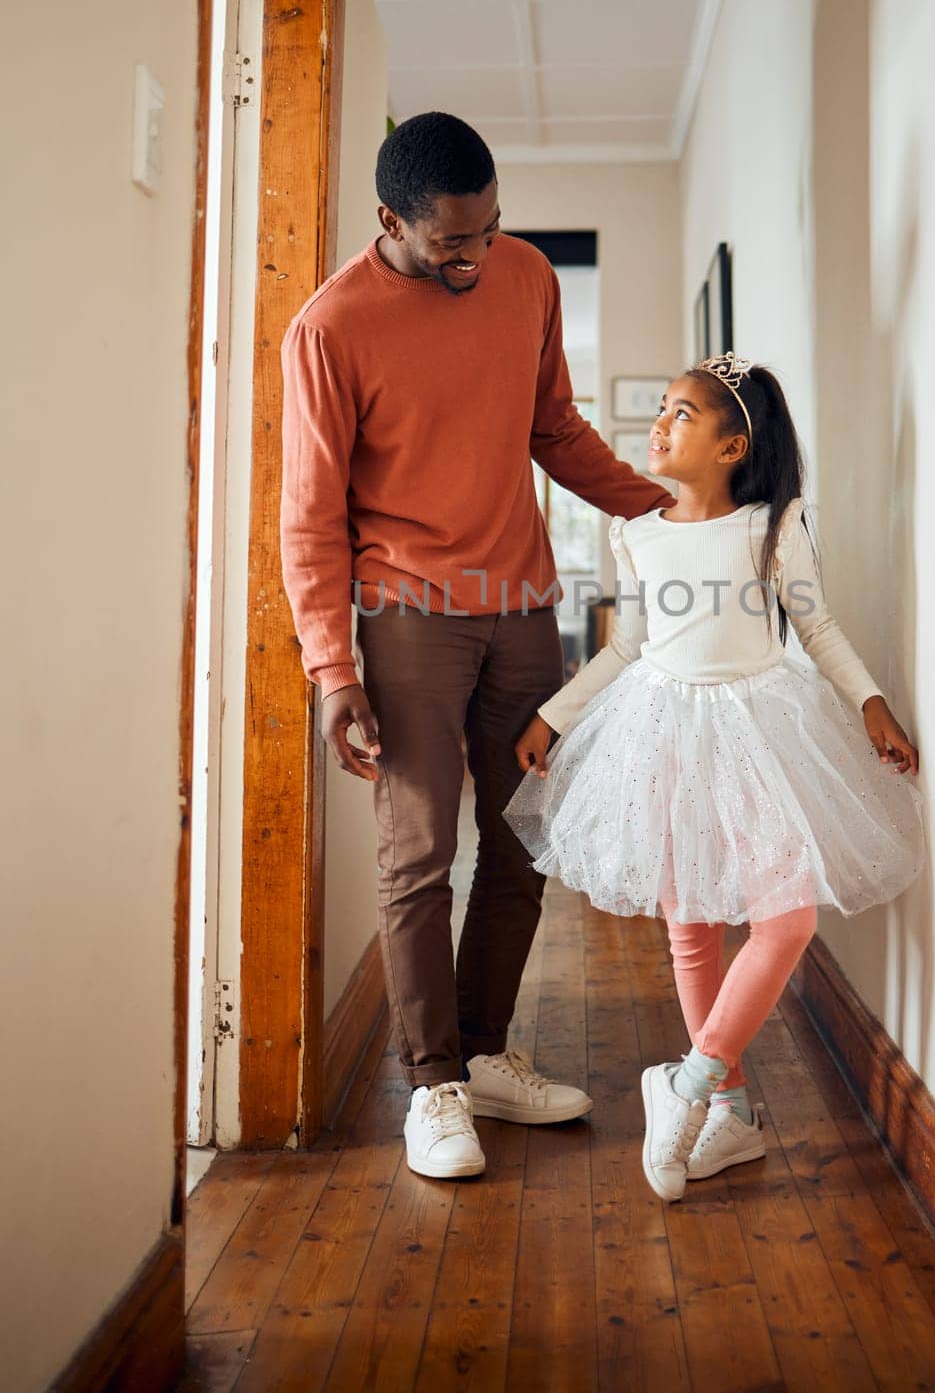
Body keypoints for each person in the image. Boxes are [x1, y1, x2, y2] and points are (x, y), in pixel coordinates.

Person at [279, 113, 672, 1180]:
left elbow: (554, 426)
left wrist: (661, 509)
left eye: (491, 230)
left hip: (523, 605)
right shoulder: (330, 329)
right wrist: (331, 667)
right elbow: (309, 518)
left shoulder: (525, 275)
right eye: (454, 242)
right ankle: (433, 1085)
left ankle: (487, 1051)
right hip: (406, 612)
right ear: (391, 223)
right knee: (418, 854)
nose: (477, 255)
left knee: (523, 838)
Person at [504, 352, 926, 1201]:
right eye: (660, 407)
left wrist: (871, 700)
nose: (658, 424)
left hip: (760, 730)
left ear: (733, 447)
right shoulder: (637, 530)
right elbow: (628, 645)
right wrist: (557, 713)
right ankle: (728, 1115)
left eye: (682, 414)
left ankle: (689, 1084)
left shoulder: (774, 524)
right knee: (689, 922)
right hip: (662, 732)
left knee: (786, 919)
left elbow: (818, 626)